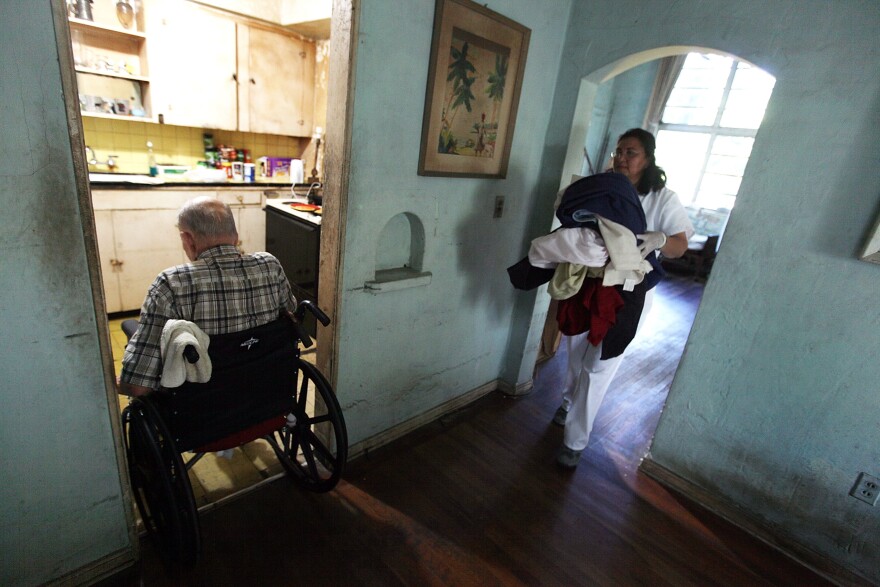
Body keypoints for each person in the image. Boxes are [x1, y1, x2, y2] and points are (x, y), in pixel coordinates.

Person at [549, 128, 694, 468]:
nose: (622, 158)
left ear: (648, 158)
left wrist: (660, 239)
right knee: (576, 351)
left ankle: (575, 441)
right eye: (619, 152)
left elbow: (680, 244)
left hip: (630, 290)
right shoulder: (602, 186)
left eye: (631, 152)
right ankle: (569, 400)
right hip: (589, 282)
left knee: (600, 363)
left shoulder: (662, 198)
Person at [118, 196, 297, 397]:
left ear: (188, 239)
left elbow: (138, 387)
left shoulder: (171, 283)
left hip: (206, 413)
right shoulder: (269, 265)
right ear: (235, 235)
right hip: (265, 396)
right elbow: (290, 310)